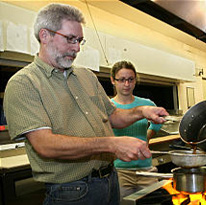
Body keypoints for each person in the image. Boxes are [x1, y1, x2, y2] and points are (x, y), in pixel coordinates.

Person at [3, 3, 168, 205]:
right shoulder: (24, 83)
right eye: (70, 39)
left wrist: (142, 110)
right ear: (45, 36)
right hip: (71, 191)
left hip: (110, 179)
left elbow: (114, 116)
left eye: (80, 40)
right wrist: (111, 143)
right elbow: (45, 145)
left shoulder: (85, 76)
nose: (77, 48)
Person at [110, 61, 162, 198]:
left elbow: (157, 123)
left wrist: (147, 137)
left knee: (153, 200)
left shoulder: (147, 104)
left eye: (130, 79)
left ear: (135, 80)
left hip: (145, 168)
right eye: (121, 80)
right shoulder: (108, 106)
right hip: (119, 170)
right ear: (113, 81)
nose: (126, 84)